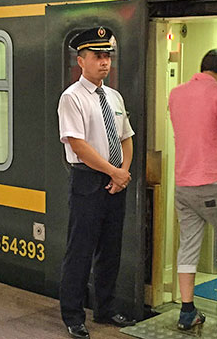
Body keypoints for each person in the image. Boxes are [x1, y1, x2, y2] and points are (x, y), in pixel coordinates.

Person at [57, 26, 137, 339]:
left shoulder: (114, 96)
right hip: (88, 180)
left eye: (107, 56)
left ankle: (105, 308)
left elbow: (126, 137)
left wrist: (123, 171)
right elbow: (78, 145)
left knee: (110, 248)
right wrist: (113, 172)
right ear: (81, 61)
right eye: (97, 56)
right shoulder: (72, 98)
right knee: (80, 250)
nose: (105, 62)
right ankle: (73, 316)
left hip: (116, 180)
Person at [167, 48, 217, 330]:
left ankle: (187, 311)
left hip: (183, 183)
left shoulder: (176, 93)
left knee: (188, 244)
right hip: (213, 181)